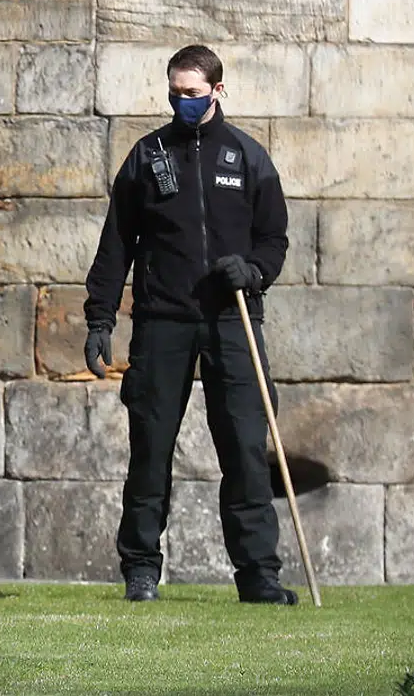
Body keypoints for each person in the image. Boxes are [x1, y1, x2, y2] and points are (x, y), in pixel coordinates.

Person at [83, 45, 297, 606]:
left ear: (217, 91)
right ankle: (141, 569)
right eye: (175, 93)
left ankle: (258, 576)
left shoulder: (248, 157)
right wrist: (99, 318)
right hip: (162, 323)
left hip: (234, 319)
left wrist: (251, 271)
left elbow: (275, 239)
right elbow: (115, 246)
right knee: (150, 447)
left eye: (193, 94)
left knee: (245, 449)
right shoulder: (146, 157)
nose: (182, 102)